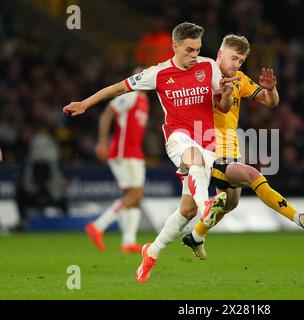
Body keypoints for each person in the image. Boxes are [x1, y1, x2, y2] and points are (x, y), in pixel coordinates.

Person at [63, 22, 237, 283]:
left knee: (186, 212)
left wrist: (226, 94)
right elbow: (118, 88)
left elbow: (221, 108)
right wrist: (85, 103)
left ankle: (151, 251)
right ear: (175, 46)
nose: (194, 55)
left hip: (207, 140)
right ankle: (207, 205)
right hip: (178, 137)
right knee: (194, 162)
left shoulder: (208, 66)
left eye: (198, 49)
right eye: (189, 50)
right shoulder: (158, 73)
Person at [182, 34, 304, 260]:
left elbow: (271, 102)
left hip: (231, 152)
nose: (236, 65)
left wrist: (271, 89)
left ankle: (195, 237)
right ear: (219, 54)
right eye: (233, 58)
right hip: (208, 152)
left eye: (241, 61)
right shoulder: (202, 75)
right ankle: (299, 218)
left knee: (231, 203)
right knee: (252, 174)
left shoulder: (240, 79)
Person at [84, 67, 149, 253]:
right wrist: (102, 141)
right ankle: (98, 226)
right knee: (135, 195)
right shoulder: (130, 94)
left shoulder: (143, 100)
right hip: (123, 152)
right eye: (138, 74)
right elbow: (107, 114)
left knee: (135, 197)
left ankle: (128, 241)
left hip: (135, 153)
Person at [14, 132, 69, 231]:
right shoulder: (57, 160)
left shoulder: (28, 160)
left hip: (32, 196)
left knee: (19, 194)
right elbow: (67, 179)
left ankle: (23, 222)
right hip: (53, 197)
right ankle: (67, 222)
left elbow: (20, 179)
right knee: (63, 195)